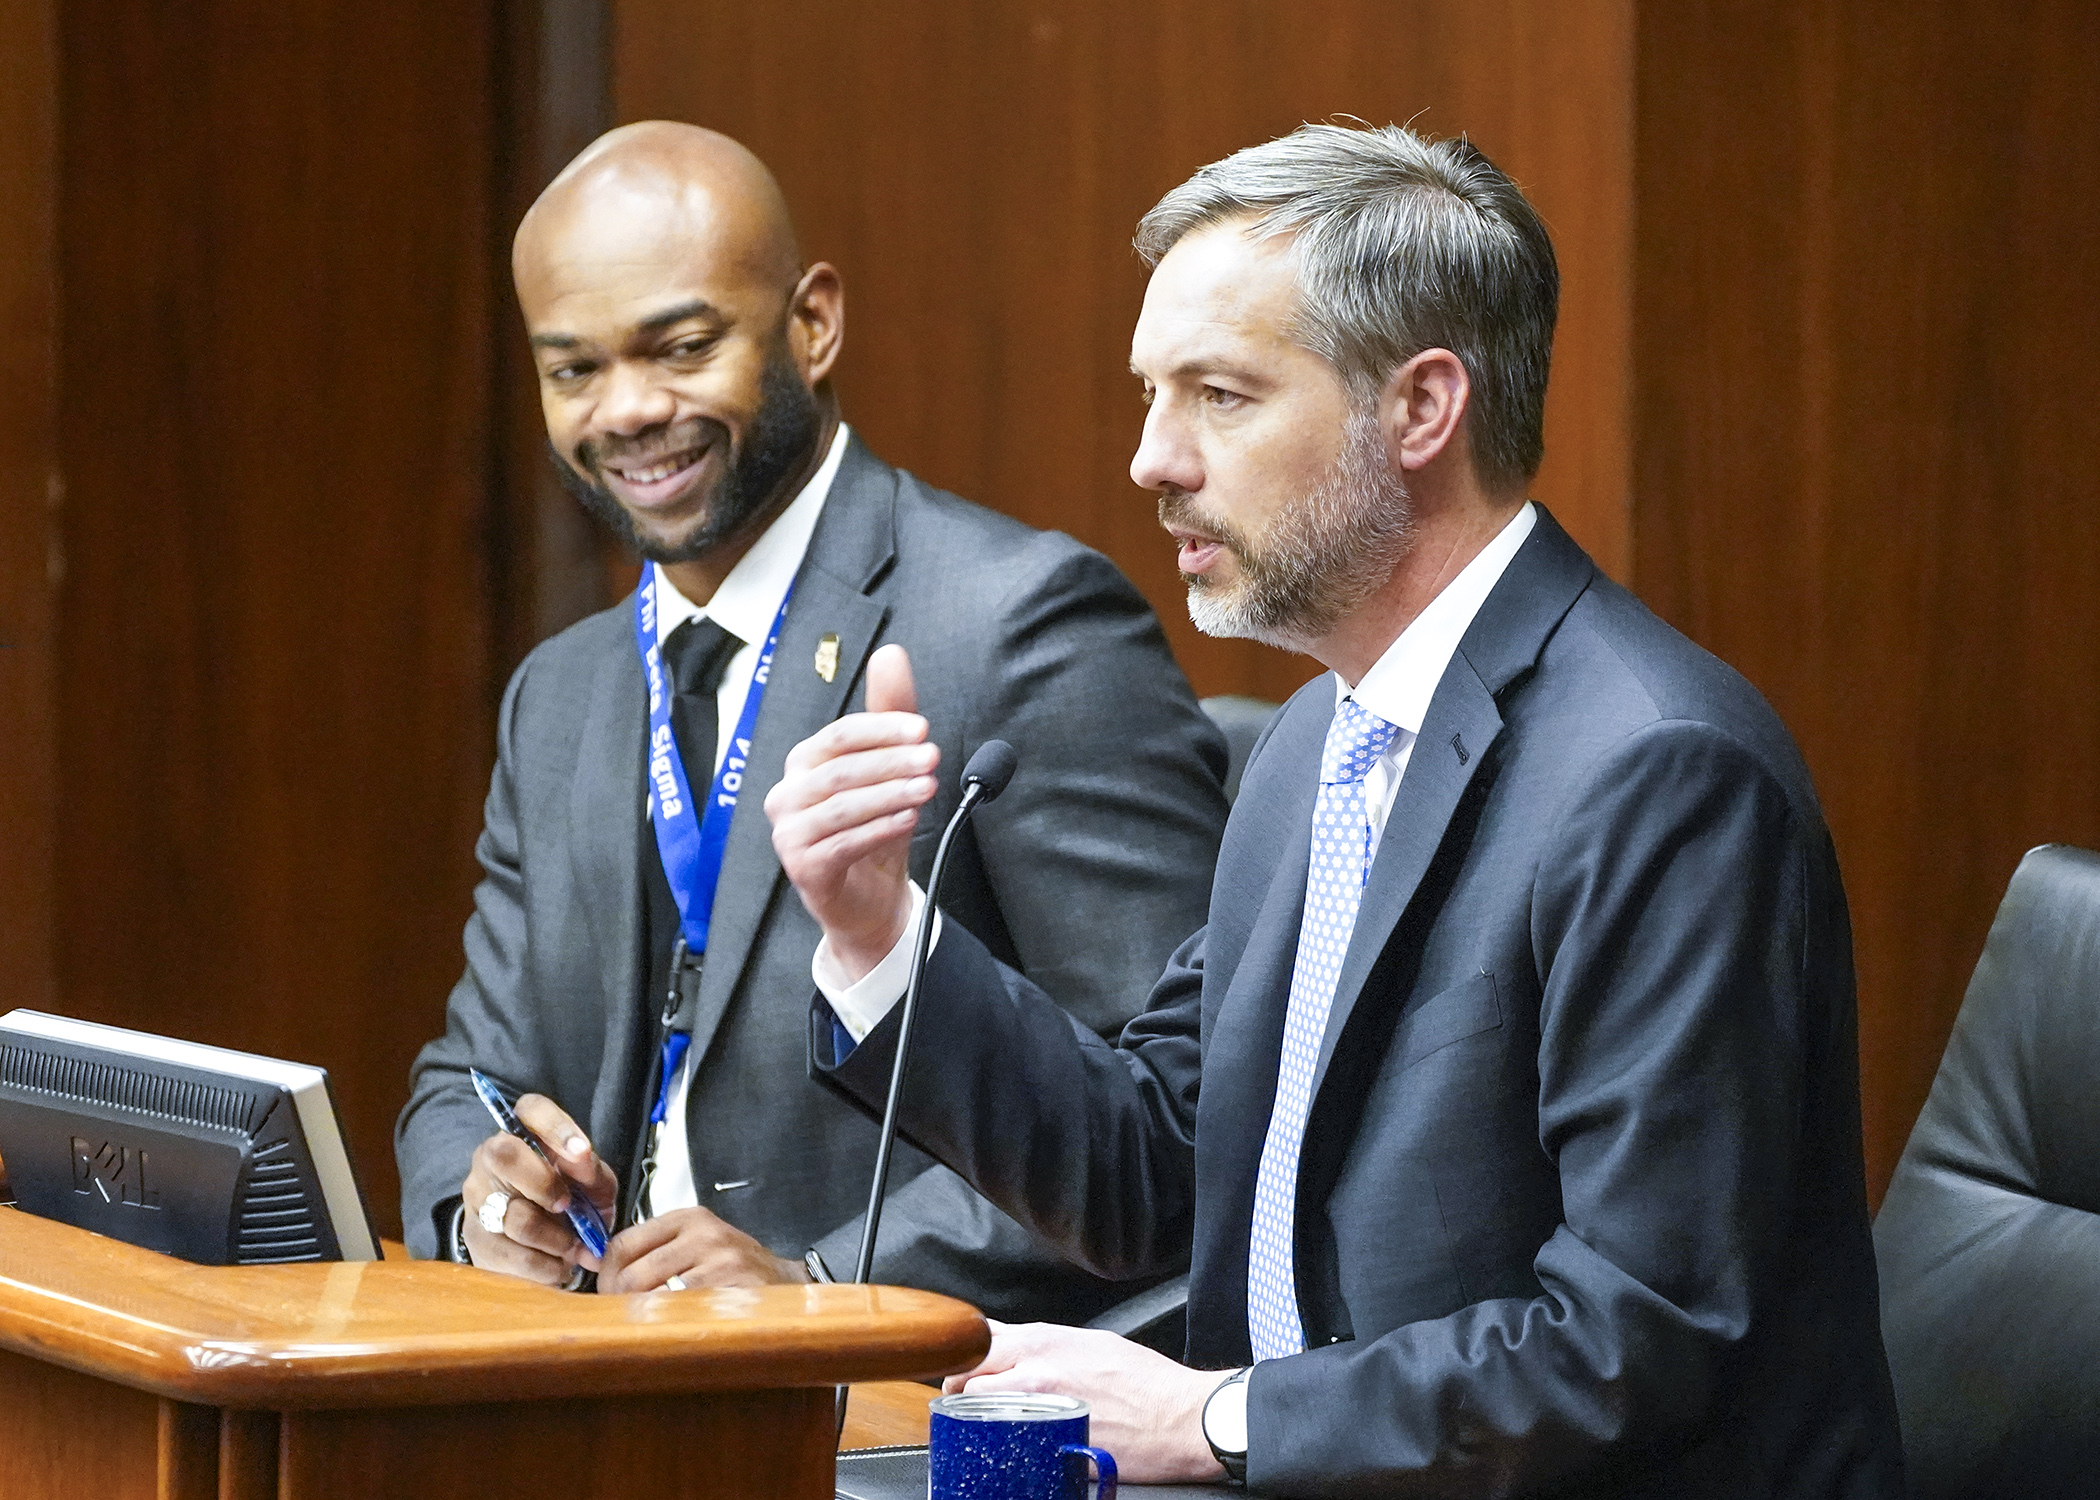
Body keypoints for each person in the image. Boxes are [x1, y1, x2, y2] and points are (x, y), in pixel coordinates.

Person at [765, 123, 1904, 1494]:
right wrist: (884, 928)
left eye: (1222, 396)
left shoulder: (1661, 772)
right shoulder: (1322, 739)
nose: (1152, 459)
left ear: (1422, 409)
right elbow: (1157, 1173)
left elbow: (1635, 1337)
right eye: (1149, 394)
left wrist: (1214, 1420)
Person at [393, 122, 1229, 1320]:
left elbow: (1178, 1114)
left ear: (813, 324)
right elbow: (465, 1077)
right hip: (594, 1378)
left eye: (680, 347)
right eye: (573, 370)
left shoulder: (1018, 625)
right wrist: (483, 1211)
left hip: (891, 1410)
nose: (626, 410)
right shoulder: (561, 692)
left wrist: (821, 1284)